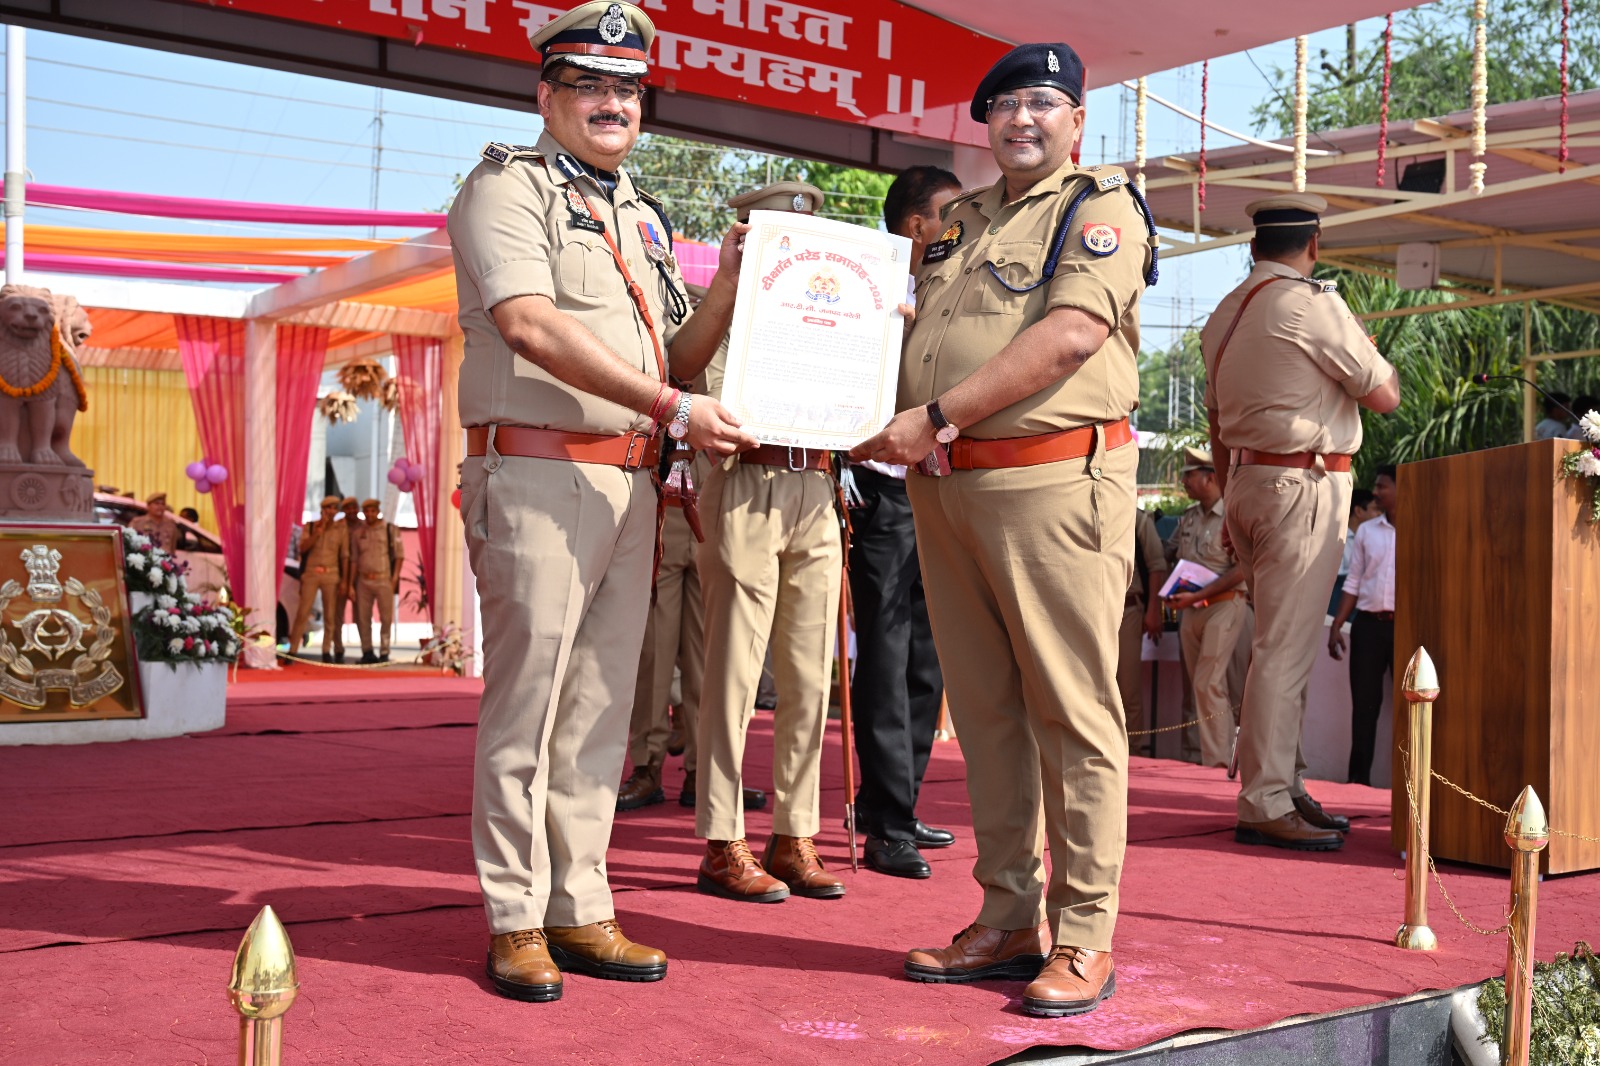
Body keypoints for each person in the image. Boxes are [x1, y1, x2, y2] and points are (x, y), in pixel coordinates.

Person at [448, 0, 754, 1003]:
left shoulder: (641, 214)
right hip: (534, 472)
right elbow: (530, 325)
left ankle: (580, 904)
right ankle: (515, 917)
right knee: (528, 707)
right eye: (590, 85)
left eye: (628, 88)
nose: (613, 103)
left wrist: (734, 286)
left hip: (627, 480)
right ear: (548, 94)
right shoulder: (505, 189)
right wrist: (673, 402)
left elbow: (680, 352)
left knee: (596, 713)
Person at [852, 41, 1158, 1018]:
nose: (1021, 119)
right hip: (948, 490)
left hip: (1051, 483)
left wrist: (936, 417)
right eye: (1005, 105)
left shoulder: (1097, 207)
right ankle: (1006, 916)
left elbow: (1069, 333)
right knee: (983, 711)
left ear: (1074, 120)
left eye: (1042, 103)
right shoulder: (960, 222)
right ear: (984, 124)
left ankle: (1083, 935)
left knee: (1071, 711)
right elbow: (910, 337)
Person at [1201, 192, 1400, 852]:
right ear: (1312, 246)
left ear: (1253, 248)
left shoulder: (1225, 312)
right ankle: (1265, 797)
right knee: (1283, 650)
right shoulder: (1313, 304)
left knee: (1275, 647)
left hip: (1249, 483)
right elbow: (1386, 393)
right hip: (1303, 482)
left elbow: (1215, 423)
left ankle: (1282, 784)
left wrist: (1229, 498)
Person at [693, 180, 849, 906]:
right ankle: (724, 839)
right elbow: (704, 388)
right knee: (734, 669)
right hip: (748, 479)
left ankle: (796, 833)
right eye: (778, 233)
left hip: (816, 482)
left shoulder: (831, 308)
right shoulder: (726, 309)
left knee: (811, 674)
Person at [848, 164, 963, 880]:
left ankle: (905, 801)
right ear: (916, 224)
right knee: (887, 659)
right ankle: (884, 820)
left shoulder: (963, 291)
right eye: (951, 213)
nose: (964, 224)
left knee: (930, 658)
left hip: (948, 490)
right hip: (886, 489)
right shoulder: (873, 292)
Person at [1165, 447, 1252, 769]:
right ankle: (1219, 759)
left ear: (1210, 477)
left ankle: (1218, 762)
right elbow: (1174, 557)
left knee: (1208, 683)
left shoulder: (1233, 514)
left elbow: (1242, 569)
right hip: (1192, 609)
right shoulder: (1189, 517)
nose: (1184, 480)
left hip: (1225, 606)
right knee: (1201, 687)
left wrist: (1196, 594)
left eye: (1189, 474)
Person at [1329, 464, 1397, 786]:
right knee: (1365, 709)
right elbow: (1353, 581)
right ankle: (1358, 783)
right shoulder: (1368, 532)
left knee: (1412, 712)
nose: (1377, 492)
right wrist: (1338, 623)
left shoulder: (1423, 527)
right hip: (1368, 627)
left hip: (1406, 629)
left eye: (1383, 486)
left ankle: (1412, 786)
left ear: (1400, 489)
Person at [1117, 506, 1168, 750]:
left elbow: (1157, 565)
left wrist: (1153, 610)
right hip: (1092, 612)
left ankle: (1135, 754)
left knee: (1128, 690)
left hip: (1127, 610)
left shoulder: (1137, 518)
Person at [287, 495, 349, 662]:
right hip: (311, 573)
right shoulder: (311, 526)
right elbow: (302, 548)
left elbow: (344, 556)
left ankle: (326, 651)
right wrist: (317, 533)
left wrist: (345, 581)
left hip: (331, 573)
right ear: (322, 509)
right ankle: (292, 650)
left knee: (330, 614)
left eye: (334, 508)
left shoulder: (341, 530)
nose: (331, 511)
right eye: (328, 508)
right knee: (303, 612)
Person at [351, 497, 403, 664]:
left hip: (383, 579)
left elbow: (399, 555)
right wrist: (351, 584)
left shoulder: (390, 529)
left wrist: (394, 578)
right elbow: (353, 559)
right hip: (363, 580)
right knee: (363, 618)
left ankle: (384, 652)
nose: (369, 514)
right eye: (366, 511)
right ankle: (367, 651)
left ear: (378, 511)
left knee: (386, 618)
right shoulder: (358, 533)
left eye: (372, 511)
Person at [1328, 488, 1378, 615]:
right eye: (1375, 509)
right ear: (1359, 511)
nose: (1379, 515)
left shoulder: (1373, 541)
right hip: (1339, 602)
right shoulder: (1337, 539)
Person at [329, 497, 362, 663]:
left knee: (361, 615)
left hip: (359, 577)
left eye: (354, 508)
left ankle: (367, 650)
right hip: (340, 576)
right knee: (337, 615)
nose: (351, 511)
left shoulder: (365, 527)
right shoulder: (337, 526)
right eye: (347, 508)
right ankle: (338, 648)